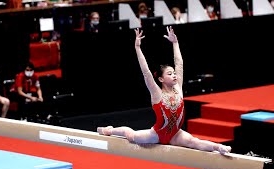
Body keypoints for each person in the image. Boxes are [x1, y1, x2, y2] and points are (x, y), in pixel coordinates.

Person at [97, 26, 232, 155]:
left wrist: (175, 43)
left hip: (176, 134)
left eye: (174, 73)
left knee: (193, 141)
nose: (174, 75)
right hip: (156, 134)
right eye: (169, 73)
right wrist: (137, 47)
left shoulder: (178, 88)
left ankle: (218, 147)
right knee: (131, 135)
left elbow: (179, 64)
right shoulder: (157, 94)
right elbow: (146, 72)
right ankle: (111, 130)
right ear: (161, 79)